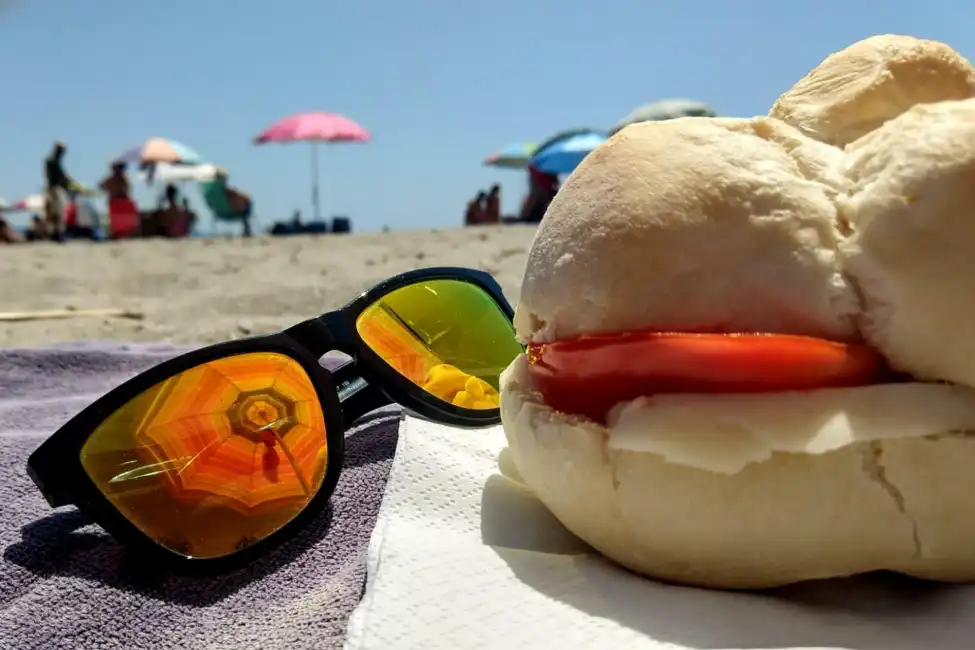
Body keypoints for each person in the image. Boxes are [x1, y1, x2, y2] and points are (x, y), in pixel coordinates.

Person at [44, 141, 75, 241]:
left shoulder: (51, 161)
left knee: (54, 212)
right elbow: (60, 177)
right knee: (58, 212)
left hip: (52, 188)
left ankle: (54, 233)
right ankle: (57, 234)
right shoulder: (53, 161)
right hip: (56, 189)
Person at [99, 161, 138, 239]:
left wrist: (109, 189)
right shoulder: (121, 178)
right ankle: (120, 234)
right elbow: (127, 189)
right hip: (120, 200)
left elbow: (101, 186)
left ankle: (119, 234)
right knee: (120, 220)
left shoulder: (116, 179)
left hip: (118, 200)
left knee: (119, 220)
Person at [213, 170, 253, 237]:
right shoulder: (224, 190)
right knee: (244, 216)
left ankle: (246, 231)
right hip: (239, 206)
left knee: (244, 216)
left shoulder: (222, 191)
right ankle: (246, 231)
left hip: (239, 205)